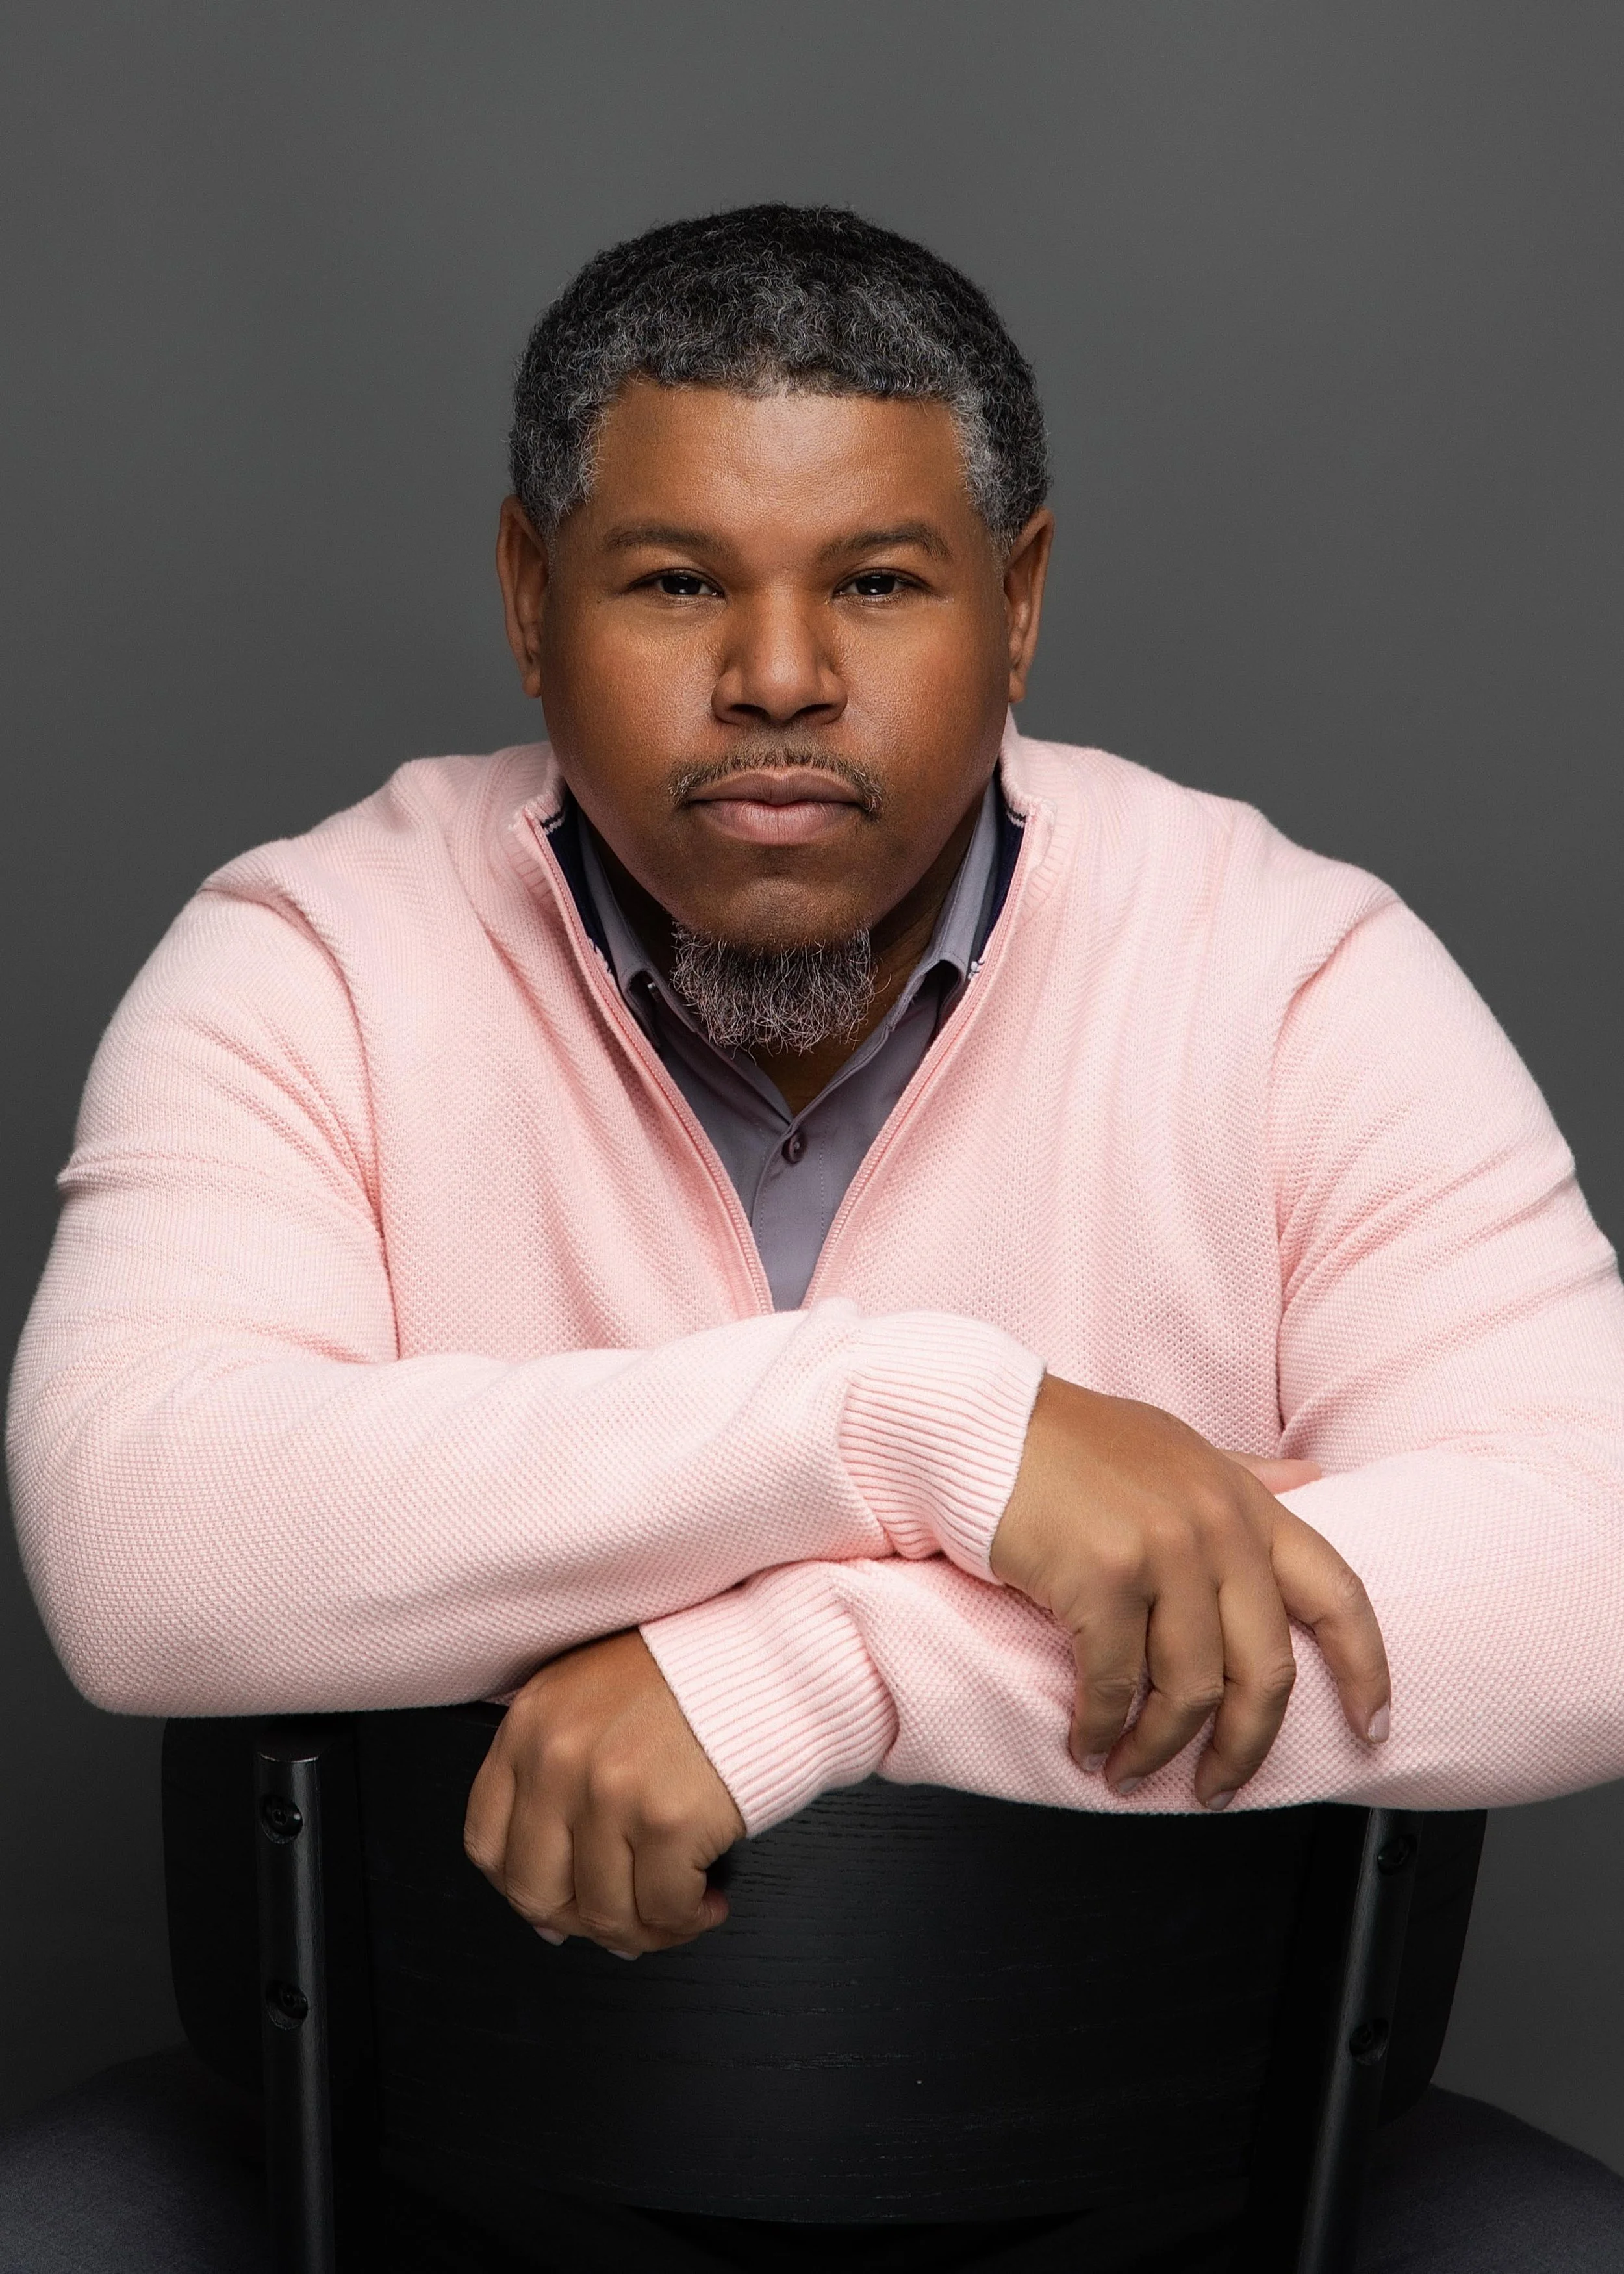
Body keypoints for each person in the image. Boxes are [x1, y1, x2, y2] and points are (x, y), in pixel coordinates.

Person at [5, 203, 1624, 2271]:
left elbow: (1578, 1567)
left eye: (876, 581)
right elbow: (142, 1536)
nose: (778, 678)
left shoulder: (1296, 974)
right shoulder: (305, 960)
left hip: (1177, 2194)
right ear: (528, 595)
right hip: (429, 2183)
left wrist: (819, 1665)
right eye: (677, 581)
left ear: (1015, 606)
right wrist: (917, 1430)